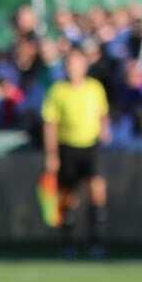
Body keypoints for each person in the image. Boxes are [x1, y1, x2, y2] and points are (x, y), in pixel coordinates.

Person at [41, 47, 111, 258]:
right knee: (69, 197)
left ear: (85, 65)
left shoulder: (95, 88)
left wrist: (105, 129)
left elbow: (103, 113)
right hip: (68, 147)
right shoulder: (58, 91)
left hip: (91, 146)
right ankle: (68, 244)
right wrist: (51, 154)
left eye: (77, 62)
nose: (74, 67)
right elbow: (50, 124)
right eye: (70, 63)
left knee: (97, 190)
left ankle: (96, 243)